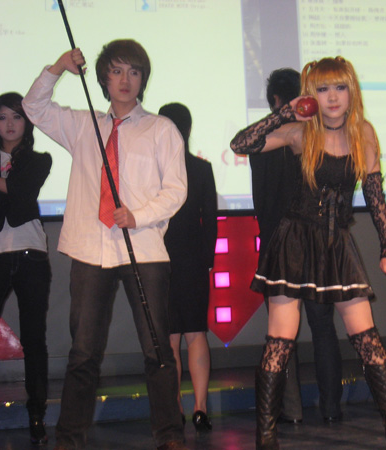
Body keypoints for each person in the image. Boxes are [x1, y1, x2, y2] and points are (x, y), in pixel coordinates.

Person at [231, 56, 386, 450]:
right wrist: (285, 113)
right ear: (312, 93)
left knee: (366, 337)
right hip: (294, 240)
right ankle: (266, 437)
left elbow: (374, 190)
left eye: (340, 87)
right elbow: (241, 144)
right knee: (280, 339)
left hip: (335, 242)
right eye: (324, 89)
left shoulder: (363, 132)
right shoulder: (301, 132)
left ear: (351, 91)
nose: (332, 97)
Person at [22, 40, 188, 450]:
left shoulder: (161, 129)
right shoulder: (83, 125)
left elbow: (176, 190)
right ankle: (69, 439)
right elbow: (33, 108)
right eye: (116, 71)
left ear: (143, 79)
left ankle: (169, 436)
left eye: (134, 71)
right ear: (103, 79)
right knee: (83, 353)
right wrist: (58, 66)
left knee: (157, 351)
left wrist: (139, 215)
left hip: (143, 249)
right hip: (90, 250)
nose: (125, 79)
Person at [249, 68, 343, 424]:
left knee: (279, 333)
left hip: (276, 244)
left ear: (275, 100)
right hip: (317, 241)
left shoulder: (263, 138)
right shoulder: (316, 136)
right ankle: (331, 407)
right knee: (323, 326)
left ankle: (289, 411)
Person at [159, 102, 218, 432]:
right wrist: (207, 261)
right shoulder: (201, 168)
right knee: (196, 333)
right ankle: (200, 408)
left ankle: (175, 409)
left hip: (160, 260)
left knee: (170, 338)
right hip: (194, 260)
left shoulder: (153, 170)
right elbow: (211, 221)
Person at [0, 92, 52, 446]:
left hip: (31, 254)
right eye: (2, 117)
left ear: (27, 122)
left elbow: (19, 192)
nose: (10, 124)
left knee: (33, 338)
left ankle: (37, 415)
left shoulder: (38, 159)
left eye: (17, 117)